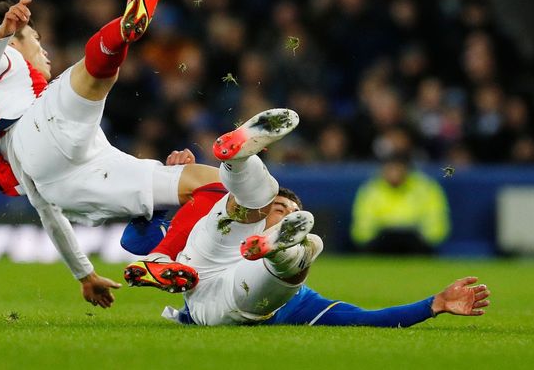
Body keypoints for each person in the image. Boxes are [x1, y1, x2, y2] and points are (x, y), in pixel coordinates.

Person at [0, 0, 218, 308]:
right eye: (36, 38)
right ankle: (123, 30)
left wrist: (85, 274)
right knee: (91, 76)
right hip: (41, 133)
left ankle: (158, 252)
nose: (43, 48)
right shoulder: (3, 66)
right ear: (13, 43)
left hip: (71, 181)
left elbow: (48, 213)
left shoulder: (4, 121)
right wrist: (2, 34)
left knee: (213, 185)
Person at [124, 110, 490, 326]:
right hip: (203, 261)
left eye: (290, 215)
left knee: (285, 260)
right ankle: (237, 160)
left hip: (225, 298)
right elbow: (135, 241)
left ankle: (284, 248)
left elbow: (365, 318)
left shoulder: (302, 302)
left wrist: (434, 305)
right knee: (246, 200)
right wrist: (165, 193)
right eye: (280, 211)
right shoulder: (228, 213)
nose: (282, 212)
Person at [350, 151, 451, 254]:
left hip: (417, 243)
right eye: (390, 169)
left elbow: (435, 219)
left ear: (407, 169)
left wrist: (428, 239)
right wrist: (369, 239)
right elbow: (363, 224)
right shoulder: (370, 189)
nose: (394, 173)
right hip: (380, 242)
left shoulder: (427, 188)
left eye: (398, 169)